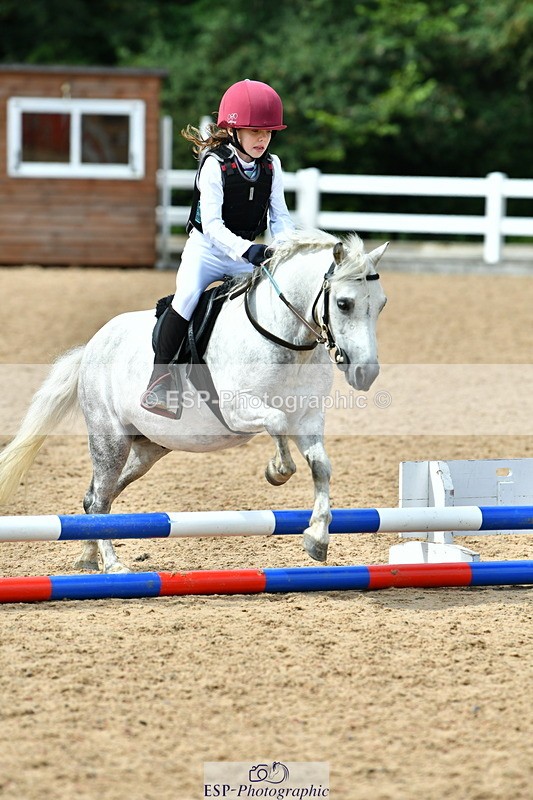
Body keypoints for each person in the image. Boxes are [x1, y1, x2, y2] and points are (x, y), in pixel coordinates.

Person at [141, 78, 294, 417]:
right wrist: (247, 250)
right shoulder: (215, 164)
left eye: (268, 133)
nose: (262, 139)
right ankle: (160, 381)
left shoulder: (273, 165)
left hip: (245, 253)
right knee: (187, 296)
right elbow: (211, 226)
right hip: (207, 250)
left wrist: (283, 247)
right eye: (255, 131)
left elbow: (280, 217)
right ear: (235, 130)